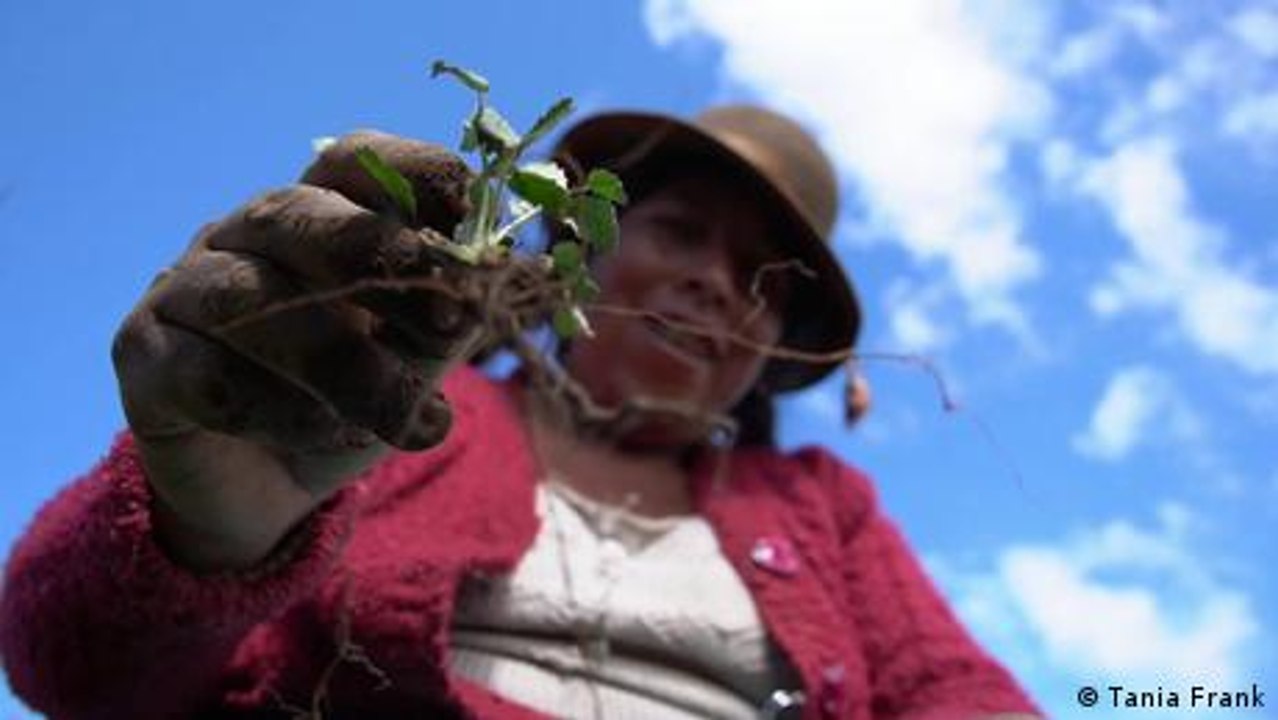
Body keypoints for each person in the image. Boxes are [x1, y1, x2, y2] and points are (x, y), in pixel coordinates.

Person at [0, 104, 1042, 720]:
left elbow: (962, 695)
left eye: (763, 283)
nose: (719, 285)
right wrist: (206, 538)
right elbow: (73, 669)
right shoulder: (384, 418)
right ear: (580, 252)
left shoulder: (822, 507)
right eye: (681, 232)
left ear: (772, 352)